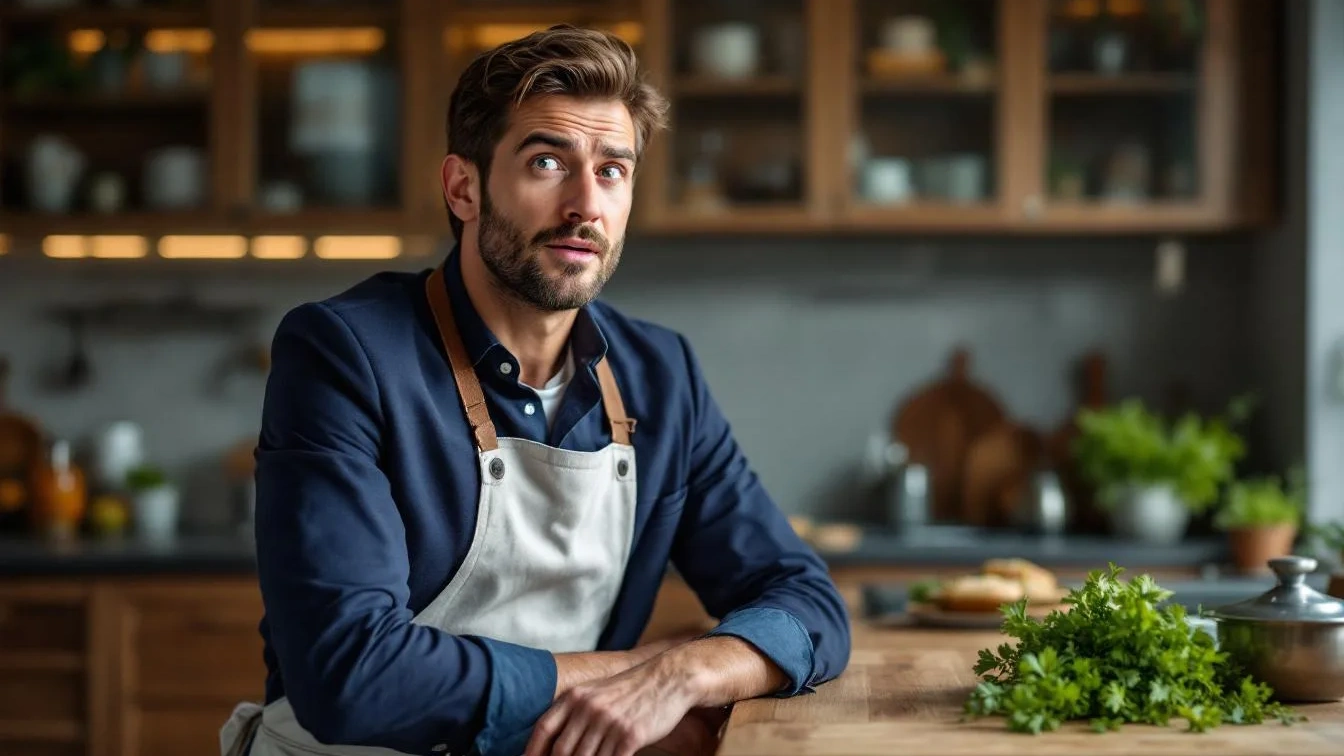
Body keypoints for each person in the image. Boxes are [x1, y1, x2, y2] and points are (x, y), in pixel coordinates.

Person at [219, 24, 850, 756]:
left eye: (612, 170)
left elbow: (810, 605)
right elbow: (352, 678)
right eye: (547, 161)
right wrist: (626, 675)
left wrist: (684, 673)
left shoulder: (660, 374)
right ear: (464, 187)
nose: (586, 202)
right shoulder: (346, 354)